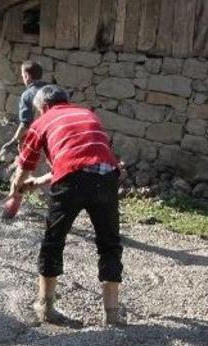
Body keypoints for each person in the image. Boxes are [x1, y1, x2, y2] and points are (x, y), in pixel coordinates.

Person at [9, 84, 124, 327]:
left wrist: (16, 191)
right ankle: (112, 313)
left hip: (72, 180)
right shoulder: (87, 114)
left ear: (44, 107)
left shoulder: (43, 121)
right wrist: (39, 182)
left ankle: (46, 307)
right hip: (107, 177)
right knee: (109, 243)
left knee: (54, 240)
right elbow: (86, 160)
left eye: (38, 110)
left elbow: (25, 164)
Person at [10, 61, 48, 144]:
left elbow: (25, 124)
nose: (22, 77)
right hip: (58, 133)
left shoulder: (28, 95)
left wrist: (14, 140)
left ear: (27, 76)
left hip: (41, 136)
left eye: (22, 75)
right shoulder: (52, 90)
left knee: (23, 140)